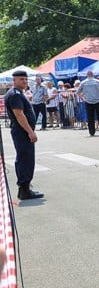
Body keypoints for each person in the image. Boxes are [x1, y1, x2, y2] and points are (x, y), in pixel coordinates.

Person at [4, 70, 43, 200]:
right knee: (25, 159)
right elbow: (19, 115)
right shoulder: (15, 94)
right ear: (14, 80)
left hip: (21, 131)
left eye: (25, 79)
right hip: (22, 131)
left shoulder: (18, 93)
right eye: (21, 79)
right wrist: (30, 132)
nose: (24, 81)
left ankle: (25, 188)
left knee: (24, 158)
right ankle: (24, 190)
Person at [77, 70, 99, 136]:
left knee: (90, 117)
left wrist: (83, 99)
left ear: (87, 75)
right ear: (93, 75)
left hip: (88, 101)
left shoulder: (83, 82)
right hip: (98, 101)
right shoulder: (97, 81)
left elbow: (78, 92)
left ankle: (91, 132)